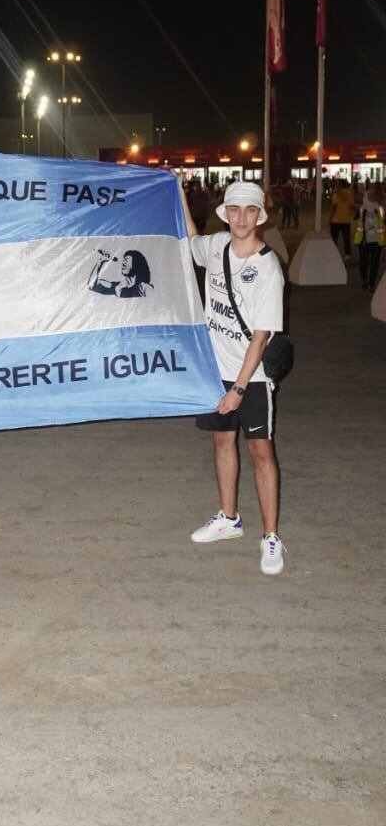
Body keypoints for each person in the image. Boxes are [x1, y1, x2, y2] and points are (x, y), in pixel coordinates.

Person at [179, 178, 286, 576]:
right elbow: (192, 240)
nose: (242, 217)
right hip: (215, 371)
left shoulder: (267, 267)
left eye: (250, 210)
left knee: (261, 451)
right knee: (222, 441)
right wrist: (178, 193)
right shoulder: (217, 246)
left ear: (259, 216)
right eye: (235, 210)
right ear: (227, 214)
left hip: (252, 379)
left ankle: (271, 536)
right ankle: (229, 518)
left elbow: (261, 336)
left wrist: (239, 389)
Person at [88, 248, 153, 297]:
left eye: (127, 260)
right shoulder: (117, 286)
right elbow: (91, 286)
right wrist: (101, 261)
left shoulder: (144, 287)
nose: (123, 262)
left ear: (136, 264)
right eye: (123, 260)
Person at [356, 185, 384, 293]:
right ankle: (364, 279)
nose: (373, 197)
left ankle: (371, 283)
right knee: (363, 262)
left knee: (375, 263)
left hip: (377, 240)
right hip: (364, 240)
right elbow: (356, 215)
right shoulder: (362, 209)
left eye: (374, 195)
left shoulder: (380, 209)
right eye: (370, 195)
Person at [329, 178, 355, 257]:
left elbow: (334, 207)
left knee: (334, 238)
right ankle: (348, 254)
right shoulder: (349, 194)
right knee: (346, 239)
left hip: (336, 220)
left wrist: (330, 217)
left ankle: (333, 253)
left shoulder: (336, 194)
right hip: (346, 220)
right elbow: (351, 207)